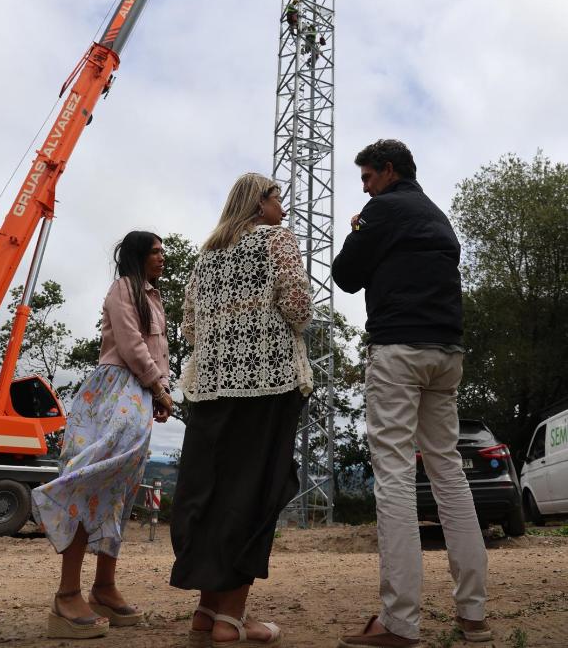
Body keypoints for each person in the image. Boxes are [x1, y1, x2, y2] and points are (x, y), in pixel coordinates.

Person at [332, 140, 490, 647]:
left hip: (398, 350)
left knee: (395, 477)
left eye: (367, 177)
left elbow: (345, 276)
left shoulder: (381, 211)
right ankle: (473, 615)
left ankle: (399, 622)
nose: (364, 187)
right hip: (447, 354)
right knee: (449, 474)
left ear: (388, 170)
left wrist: (358, 229)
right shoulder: (438, 217)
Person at [170, 172, 313, 647]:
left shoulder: (206, 255)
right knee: (253, 492)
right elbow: (299, 308)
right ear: (258, 204)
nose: (282, 210)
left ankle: (207, 610)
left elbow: (190, 327)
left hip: (211, 389)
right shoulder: (277, 241)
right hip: (267, 386)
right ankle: (231, 620)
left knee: (212, 494)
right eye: (277, 199)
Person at [32, 230, 173, 640]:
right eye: (155, 251)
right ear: (137, 256)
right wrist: (158, 388)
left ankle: (104, 587)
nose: (162, 257)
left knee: (121, 488)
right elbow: (131, 345)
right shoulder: (123, 289)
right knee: (90, 478)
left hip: (138, 393)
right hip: (113, 390)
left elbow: (158, 353)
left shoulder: (154, 297)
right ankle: (66, 594)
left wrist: (159, 391)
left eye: (163, 251)